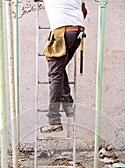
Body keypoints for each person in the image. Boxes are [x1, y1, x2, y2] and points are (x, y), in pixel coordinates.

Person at [34, 0, 88, 133]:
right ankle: (67, 103)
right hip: (77, 32)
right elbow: (84, 11)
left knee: (55, 75)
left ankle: (54, 120)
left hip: (61, 32)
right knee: (58, 69)